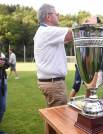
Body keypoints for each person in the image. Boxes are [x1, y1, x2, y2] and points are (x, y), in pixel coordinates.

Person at [33, 3, 73, 134]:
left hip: (49, 82)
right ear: (49, 17)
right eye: (57, 14)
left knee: (52, 118)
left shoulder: (44, 31)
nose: (59, 16)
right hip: (54, 84)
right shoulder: (48, 31)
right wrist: (88, 24)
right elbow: (71, 35)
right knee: (59, 121)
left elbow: (66, 40)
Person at [0, 51, 9, 124]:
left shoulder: (1, 54)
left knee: (3, 108)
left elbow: (8, 64)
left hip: (3, 82)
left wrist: (3, 63)